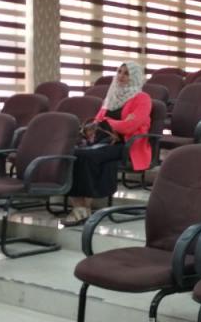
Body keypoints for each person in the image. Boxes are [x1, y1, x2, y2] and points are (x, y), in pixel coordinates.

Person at [63, 62, 152, 226]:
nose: (121, 76)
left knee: (86, 156)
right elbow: (98, 121)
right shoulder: (111, 96)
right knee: (73, 154)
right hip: (104, 141)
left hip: (126, 145)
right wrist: (109, 124)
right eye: (119, 72)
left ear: (135, 77)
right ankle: (80, 206)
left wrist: (109, 122)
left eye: (126, 73)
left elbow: (130, 126)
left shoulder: (142, 98)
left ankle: (82, 209)